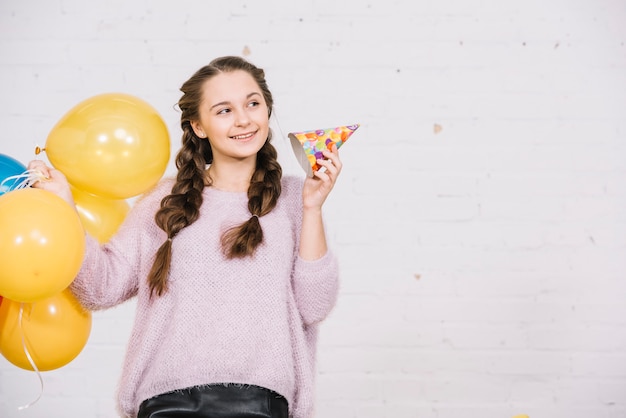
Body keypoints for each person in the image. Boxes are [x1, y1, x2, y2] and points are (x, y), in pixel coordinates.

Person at [28, 55, 341, 418]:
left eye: (253, 103)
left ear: (267, 110)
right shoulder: (166, 200)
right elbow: (102, 288)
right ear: (199, 125)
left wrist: (312, 209)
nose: (243, 119)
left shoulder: (293, 198)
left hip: (261, 405)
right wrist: (63, 205)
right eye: (224, 110)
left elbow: (314, 305)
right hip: (168, 405)